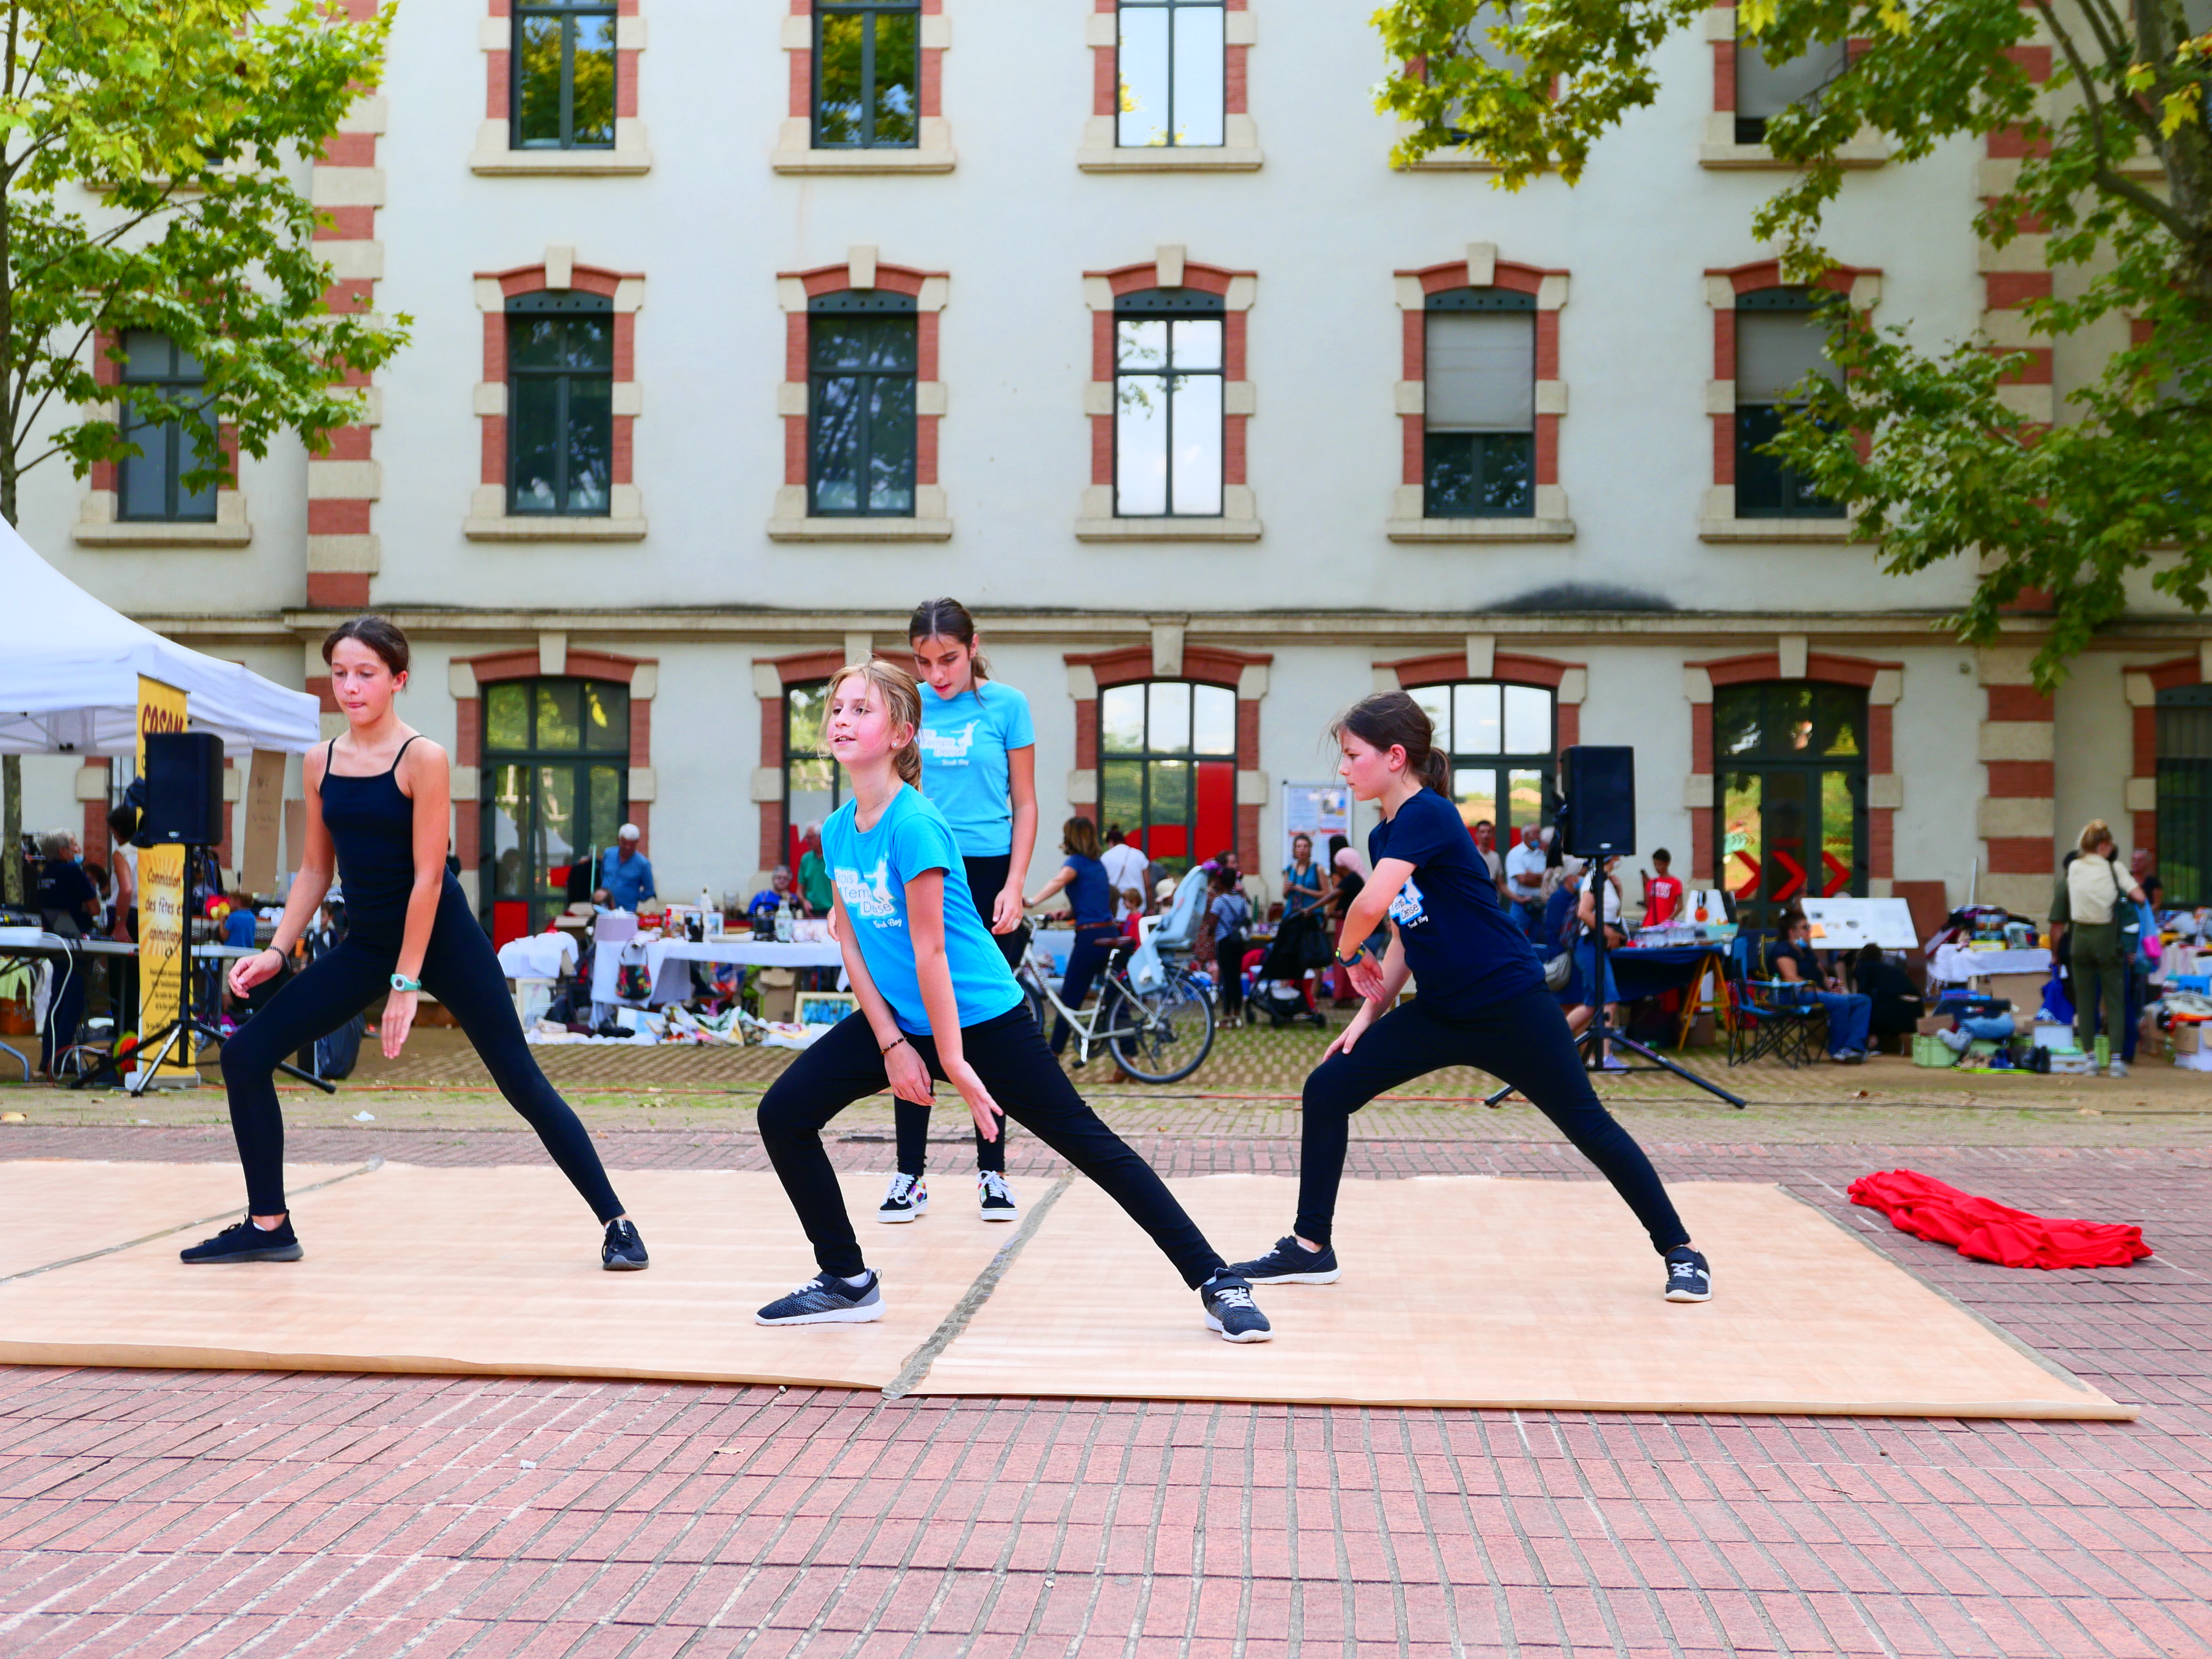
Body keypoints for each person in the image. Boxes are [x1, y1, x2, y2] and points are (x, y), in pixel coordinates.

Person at [750, 658, 1270, 1341]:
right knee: (783, 1114)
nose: (842, 720)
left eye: (861, 709)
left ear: (902, 734)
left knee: (1090, 1145)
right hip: (903, 1019)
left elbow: (932, 954)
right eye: (838, 709)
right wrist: (892, 1044)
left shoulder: (916, 825)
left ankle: (1217, 1279)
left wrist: (953, 1062)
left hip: (983, 1020)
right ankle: (846, 1280)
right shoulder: (840, 830)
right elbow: (851, 942)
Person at [1226, 692, 1710, 1305]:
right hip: (1441, 1012)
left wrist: (1346, 956)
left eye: (1351, 755)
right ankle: (1310, 1247)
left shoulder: (1428, 813)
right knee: (1327, 1089)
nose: (1343, 769)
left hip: (1511, 1007)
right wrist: (1368, 1013)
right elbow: (1404, 934)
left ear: (1394, 757)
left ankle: (1682, 1251)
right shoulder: (1383, 836)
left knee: (1588, 1126)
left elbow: (1368, 907)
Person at [205, 616, 648, 1269]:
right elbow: (316, 870)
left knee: (520, 1079)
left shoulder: (424, 759)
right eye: (340, 673)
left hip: (444, 940)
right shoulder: (320, 762)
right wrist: (277, 950)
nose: (350, 687)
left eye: (366, 674)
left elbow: (428, 878)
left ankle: (617, 1222)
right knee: (246, 1055)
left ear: (398, 680)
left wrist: (406, 983)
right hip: (368, 943)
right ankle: (268, 1224)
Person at [893, 596, 1040, 1224]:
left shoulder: (1007, 706)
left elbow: (1025, 803)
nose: (936, 675)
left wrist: (1015, 883)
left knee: (987, 1027)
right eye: (924, 662)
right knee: (916, 1019)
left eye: (948, 659)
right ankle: (909, 1175)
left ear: (973, 647)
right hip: (921, 866)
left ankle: (993, 1173)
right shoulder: (908, 706)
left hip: (986, 872)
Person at [1024, 816, 1119, 1066]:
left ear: (1072, 838)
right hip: (1109, 933)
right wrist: (1067, 914)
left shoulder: (1075, 863)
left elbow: (1059, 882)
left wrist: (1033, 902)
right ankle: (1128, 1059)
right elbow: (1094, 903)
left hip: (1090, 939)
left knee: (1070, 998)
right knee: (1116, 998)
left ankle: (1052, 1057)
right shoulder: (1097, 865)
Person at [2065, 820, 2147, 1076]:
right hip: (2106, 937)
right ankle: (2116, 1061)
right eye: (2110, 845)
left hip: (2079, 938)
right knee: (2115, 1000)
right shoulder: (2115, 868)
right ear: (2103, 845)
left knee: (2085, 1000)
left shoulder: (2074, 866)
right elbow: (2140, 897)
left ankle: (2090, 1059)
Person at [1769, 906, 1871, 1063]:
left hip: (1817, 994)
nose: (1810, 931)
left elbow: (1821, 974)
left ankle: (1853, 1047)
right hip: (1793, 997)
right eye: (1805, 928)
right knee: (1840, 1002)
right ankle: (1838, 1050)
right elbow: (1791, 978)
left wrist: (1830, 983)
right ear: (1792, 932)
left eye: (1809, 927)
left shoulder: (1805, 949)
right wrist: (1818, 991)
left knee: (1863, 1000)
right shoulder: (1784, 950)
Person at [34, 830, 98, 1075]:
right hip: (77, 940)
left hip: (55, 938)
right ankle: (62, 1060)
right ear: (63, 851)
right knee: (73, 1002)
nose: (78, 848)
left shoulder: (45, 874)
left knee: (57, 1001)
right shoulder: (72, 871)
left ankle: (48, 1059)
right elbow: (94, 908)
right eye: (74, 845)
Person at [1575, 855, 1629, 1069]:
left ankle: (1549, 1043)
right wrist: (1610, 933)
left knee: (1591, 1006)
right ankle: (1605, 1057)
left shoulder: (1607, 880)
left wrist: (1619, 892)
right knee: (1609, 998)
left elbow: (1612, 914)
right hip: (1590, 945)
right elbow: (1583, 912)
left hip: (1596, 946)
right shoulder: (1594, 878)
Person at [1852, 942, 1923, 1052]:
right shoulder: (1891, 970)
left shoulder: (1864, 967)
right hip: (1916, 1013)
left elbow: (1864, 995)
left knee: (1864, 1008)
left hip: (1892, 1013)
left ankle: (1873, 1044)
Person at [1208, 865, 1253, 1029]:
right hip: (1238, 942)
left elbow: (1212, 925)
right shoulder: (1240, 900)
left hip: (1224, 941)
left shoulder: (1219, 901)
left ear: (1220, 882)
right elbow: (1244, 919)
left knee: (1226, 980)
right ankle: (1237, 1016)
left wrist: (1209, 934)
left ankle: (1226, 1017)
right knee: (1236, 978)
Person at [595, 824, 656, 912]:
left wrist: (634, 897)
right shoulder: (608, 854)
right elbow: (603, 876)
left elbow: (649, 891)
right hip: (604, 908)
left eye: (632, 844)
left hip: (627, 911)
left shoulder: (643, 864)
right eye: (624, 843)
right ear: (619, 840)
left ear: (637, 842)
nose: (628, 847)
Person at [1503, 826, 1548, 940]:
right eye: (1536, 833)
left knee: (1539, 940)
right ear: (1526, 835)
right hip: (1521, 903)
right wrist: (1542, 879)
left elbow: (1548, 878)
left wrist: (1533, 875)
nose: (1539, 837)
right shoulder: (1516, 854)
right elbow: (1523, 880)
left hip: (1540, 903)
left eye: (1540, 833)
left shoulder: (1542, 855)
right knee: (1514, 938)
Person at [1100, 825, 1148, 923]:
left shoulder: (1105, 857)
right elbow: (1148, 884)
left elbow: (1101, 883)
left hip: (1115, 908)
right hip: (1138, 907)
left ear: (1111, 842)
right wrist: (1150, 908)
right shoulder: (1139, 855)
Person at [1282, 832, 1329, 922]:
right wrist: (1287, 889)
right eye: (1299, 847)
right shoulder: (1290, 869)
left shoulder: (1318, 868)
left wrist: (1305, 891)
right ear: (1294, 850)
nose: (1302, 850)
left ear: (1310, 849)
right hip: (1292, 914)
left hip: (1312, 915)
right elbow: (1285, 895)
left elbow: (1327, 894)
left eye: (1305, 846)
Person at [797, 823, 833, 917]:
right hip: (811, 913)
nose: (807, 841)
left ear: (821, 838)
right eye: (807, 838)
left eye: (810, 838)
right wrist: (804, 901)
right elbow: (799, 890)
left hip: (832, 912)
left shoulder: (833, 858)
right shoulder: (806, 859)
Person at [1642, 848, 1684, 928]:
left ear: (1667, 863)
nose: (1657, 867)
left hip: (1665, 925)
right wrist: (1645, 885)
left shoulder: (1675, 882)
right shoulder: (1653, 882)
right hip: (1649, 923)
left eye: (1660, 865)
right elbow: (1648, 904)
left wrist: (1668, 921)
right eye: (1655, 865)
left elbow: (1680, 906)